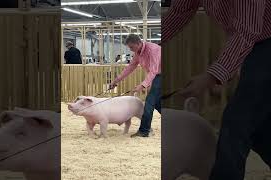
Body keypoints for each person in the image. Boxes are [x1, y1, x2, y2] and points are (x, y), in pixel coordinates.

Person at [162, 0, 271, 179]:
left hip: (263, 42)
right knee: (256, 128)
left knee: (237, 122)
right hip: (256, 45)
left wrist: (211, 76)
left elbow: (247, 31)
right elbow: (180, 11)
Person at [110, 34, 161, 137]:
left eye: (132, 47)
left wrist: (142, 85)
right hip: (157, 76)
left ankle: (144, 131)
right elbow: (131, 67)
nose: (131, 50)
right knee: (157, 103)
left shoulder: (153, 50)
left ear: (139, 43)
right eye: (129, 47)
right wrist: (116, 80)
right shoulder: (138, 53)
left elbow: (153, 71)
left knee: (149, 102)